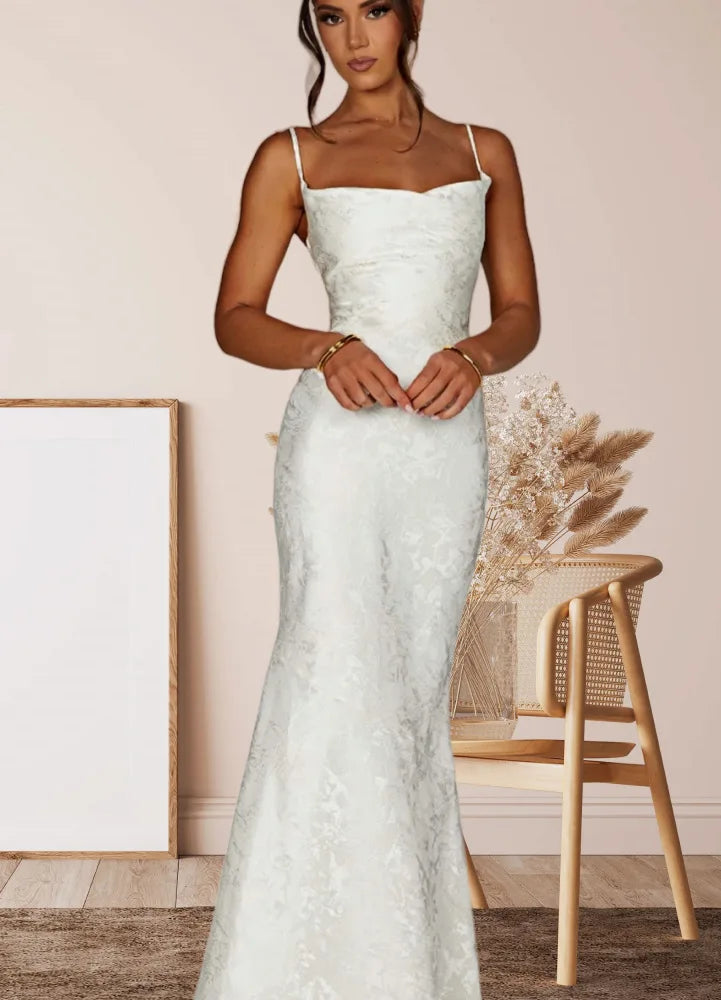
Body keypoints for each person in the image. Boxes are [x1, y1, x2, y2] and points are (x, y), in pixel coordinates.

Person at [192, 1, 539, 997]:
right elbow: (234, 316)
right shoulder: (291, 157)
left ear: (412, 12)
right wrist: (325, 345)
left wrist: (474, 357)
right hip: (335, 452)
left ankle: (401, 969)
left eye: (374, 8)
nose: (354, 37)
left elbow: (520, 312)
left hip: (442, 453)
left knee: (407, 700)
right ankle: (278, 971)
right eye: (332, 14)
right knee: (327, 677)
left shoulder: (485, 152)